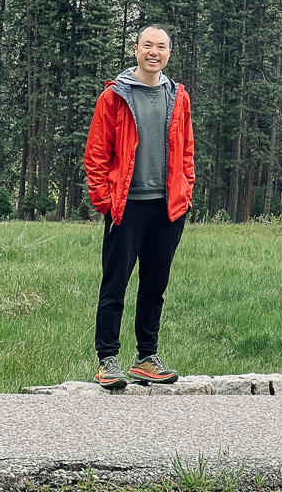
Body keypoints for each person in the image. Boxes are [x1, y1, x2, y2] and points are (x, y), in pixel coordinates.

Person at [84, 24, 195, 389]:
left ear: (168, 53)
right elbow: (97, 154)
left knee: (154, 287)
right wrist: (104, 200)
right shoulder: (114, 97)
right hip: (125, 207)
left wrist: (186, 191)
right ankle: (107, 360)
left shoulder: (178, 97)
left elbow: (187, 151)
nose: (154, 52)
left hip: (167, 210)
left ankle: (147, 357)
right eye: (148, 45)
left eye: (161, 47)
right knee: (114, 284)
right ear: (136, 50)